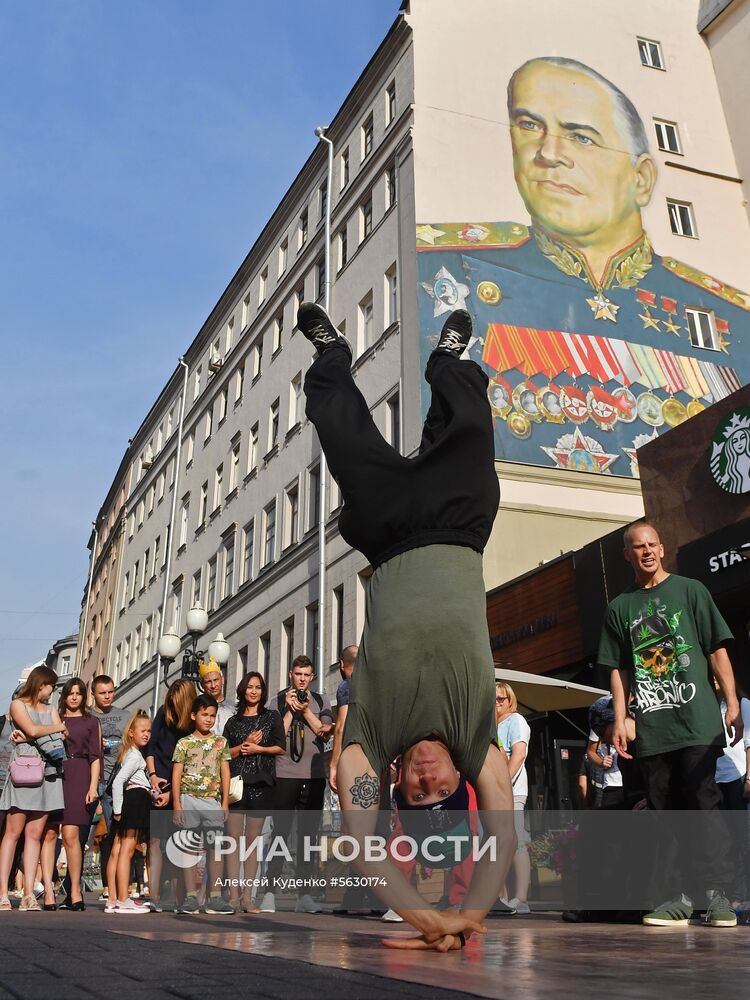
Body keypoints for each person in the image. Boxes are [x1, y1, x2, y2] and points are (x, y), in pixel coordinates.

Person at [300, 301, 515, 951]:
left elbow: (363, 842)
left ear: (396, 783)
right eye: (439, 790)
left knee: (340, 429)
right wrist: (468, 915)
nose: (425, 781)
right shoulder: (480, 738)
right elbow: (503, 840)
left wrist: (427, 920)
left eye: (414, 792)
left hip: (391, 529)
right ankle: (447, 365)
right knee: (473, 427)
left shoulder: (372, 735)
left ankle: (332, 354)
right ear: (460, 783)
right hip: (459, 522)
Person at [417, 56, 750, 476]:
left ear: (643, 177)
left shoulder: (732, 318)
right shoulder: (447, 265)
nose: (548, 153)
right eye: (529, 125)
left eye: (582, 137)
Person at [600, 518, 743, 928]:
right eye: (638, 547)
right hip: (653, 729)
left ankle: (717, 895)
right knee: (665, 812)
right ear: (627, 554)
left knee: (704, 806)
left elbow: (716, 650)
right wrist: (622, 718)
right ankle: (676, 897)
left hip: (696, 720)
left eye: (652, 545)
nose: (646, 551)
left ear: (662, 549)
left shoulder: (690, 590)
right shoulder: (619, 607)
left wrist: (731, 701)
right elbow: (618, 670)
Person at [263, 655, 333, 914]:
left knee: (308, 835)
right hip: (284, 773)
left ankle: (304, 894)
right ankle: (269, 890)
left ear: (312, 677)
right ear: (290, 675)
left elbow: (326, 732)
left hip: (314, 775)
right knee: (280, 832)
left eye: (306, 675)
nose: (302, 679)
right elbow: (275, 736)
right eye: (298, 674)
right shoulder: (277, 701)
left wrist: (305, 711)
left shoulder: (320, 700)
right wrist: (291, 713)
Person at [0, 666, 67, 912]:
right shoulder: (18, 705)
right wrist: (49, 730)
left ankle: (29, 894)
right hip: (24, 770)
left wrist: (32, 736)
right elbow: (35, 730)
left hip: (48, 774)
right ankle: (3, 894)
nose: (53, 691)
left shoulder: (51, 710)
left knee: (35, 835)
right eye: (51, 686)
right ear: (41, 684)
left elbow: (59, 737)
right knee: (13, 832)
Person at [223, 671, 285, 912]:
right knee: (233, 841)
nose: (254, 691)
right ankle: (233, 895)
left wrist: (259, 748)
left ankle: (248, 896)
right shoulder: (232, 722)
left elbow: (281, 748)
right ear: (242, 690)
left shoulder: (271, 717)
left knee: (252, 842)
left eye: (258, 687)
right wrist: (244, 746)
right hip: (237, 785)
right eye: (250, 687)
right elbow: (223, 754)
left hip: (261, 784)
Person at [172, 693, 232, 915]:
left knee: (215, 848)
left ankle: (214, 897)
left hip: (212, 801)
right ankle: (190, 897)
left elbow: (225, 771)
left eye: (213, 715)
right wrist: (177, 804)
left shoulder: (220, 742)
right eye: (204, 715)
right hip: (188, 799)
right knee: (189, 848)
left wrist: (225, 802)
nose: (209, 719)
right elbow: (176, 773)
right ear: (193, 715)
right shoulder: (184, 743)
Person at [145, 678, 196, 912]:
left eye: (178, 704)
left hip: (182, 788)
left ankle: (179, 899)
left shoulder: (194, 722)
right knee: (155, 840)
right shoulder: (163, 713)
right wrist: (153, 776)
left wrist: (173, 795)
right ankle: (153, 896)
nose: (173, 709)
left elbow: (192, 764)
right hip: (160, 782)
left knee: (179, 843)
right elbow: (151, 747)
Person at [56, 678, 102, 910]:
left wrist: (93, 787)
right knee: (47, 835)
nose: (74, 697)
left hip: (80, 774)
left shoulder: (91, 721)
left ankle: (75, 891)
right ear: (63, 695)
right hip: (54, 775)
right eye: (70, 693)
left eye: (79, 693)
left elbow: (96, 757)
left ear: (85, 696)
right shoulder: (54, 718)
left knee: (72, 836)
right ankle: (43, 891)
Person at [106, 709, 153, 914]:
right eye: (142, 730)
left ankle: (113, 899)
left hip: (130, 800)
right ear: (131, 732)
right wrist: (117, 810)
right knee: (127, 850)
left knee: (118, 850)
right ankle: (124, 898)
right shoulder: (134, 756)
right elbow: (118, 782)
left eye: (149, 731)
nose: (146, 734)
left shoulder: (128, 753)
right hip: (134, 801)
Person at [90, 675, 129, 894]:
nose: (107, 696)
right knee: (81, 833)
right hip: (92, 781)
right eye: (102, 692)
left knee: (113, 833)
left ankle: (110, 886)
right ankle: (71, 886)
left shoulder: (124, 716)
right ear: (93, 694)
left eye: (110, 692)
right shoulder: (87, 716)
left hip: (116, 783)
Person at [495, 681, 531, 913]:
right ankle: (500, 899)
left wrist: (503, 784)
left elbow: (519, 754)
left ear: (510, 700)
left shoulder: (516, 721)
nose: (497, 703)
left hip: (511, 790)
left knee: (515, 839)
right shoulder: (490, 725)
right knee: (494, 844)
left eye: (501, 698)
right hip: (492, 793)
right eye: (493, 699)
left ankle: (521, 899)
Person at [714, 681, 750, 902]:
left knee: (744, 841)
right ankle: (733, 896)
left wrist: (749, 778)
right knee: (724, 843)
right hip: (715, 782)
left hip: (738, 779)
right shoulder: (710, 707)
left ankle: (743, 896)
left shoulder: (743, 704)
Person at [329, 644, 358, 794]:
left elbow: (342, 725)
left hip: (355, 759)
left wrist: (334, 765)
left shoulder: (347, 686)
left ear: (341, 664)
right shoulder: (376, 685)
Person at [586, 696, 624, 810]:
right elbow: (590, 751)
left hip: (632, 780)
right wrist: (602, 762)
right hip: (612, 783)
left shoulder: (632, 717)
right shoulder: (599, 722)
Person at [198, 659, 234, 737]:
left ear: (222, 680)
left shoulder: (233, 709)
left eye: (216, 680)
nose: (213, 686)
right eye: (208, 682)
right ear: (202, 684)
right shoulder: (197, 708)